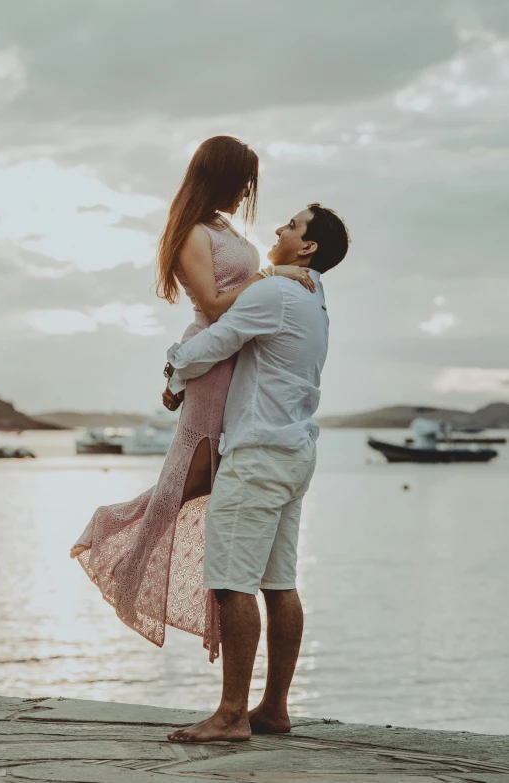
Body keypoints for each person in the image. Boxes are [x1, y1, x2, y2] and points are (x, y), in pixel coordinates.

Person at [69, 136, 313, 661]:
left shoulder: (226, 227)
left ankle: (144, 540)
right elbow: (212, 303)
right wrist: (274, 275)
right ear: (222, 175)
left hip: (233, 360)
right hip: (212, 359)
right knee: (196, 475)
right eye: (244, 180)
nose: (249, 191)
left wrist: (275, 278)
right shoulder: (192, 233)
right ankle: (117, 535)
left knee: (211, 478)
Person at [164, 203, 350, 742]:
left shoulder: (275, 293)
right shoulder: (313, 297)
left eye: (292, 226)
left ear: (308, 247)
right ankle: (273, 708)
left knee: (230, 583)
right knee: (278, 583)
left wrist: (174, 369)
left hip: (258, 455)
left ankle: (230, 715)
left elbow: (214, 342)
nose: (278, 228)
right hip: (293, 453)